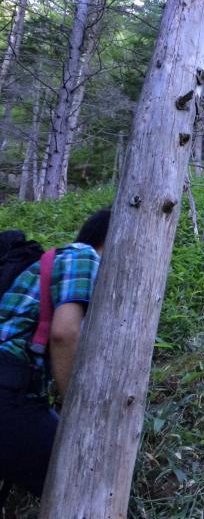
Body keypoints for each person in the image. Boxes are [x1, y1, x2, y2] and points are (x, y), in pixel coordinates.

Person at [0, 208, 110, 501]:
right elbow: (64, 334)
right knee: (87, 474)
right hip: (9, 391)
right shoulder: (85, 255)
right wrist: (79, 412)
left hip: (14, 388)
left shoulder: (56, 261)